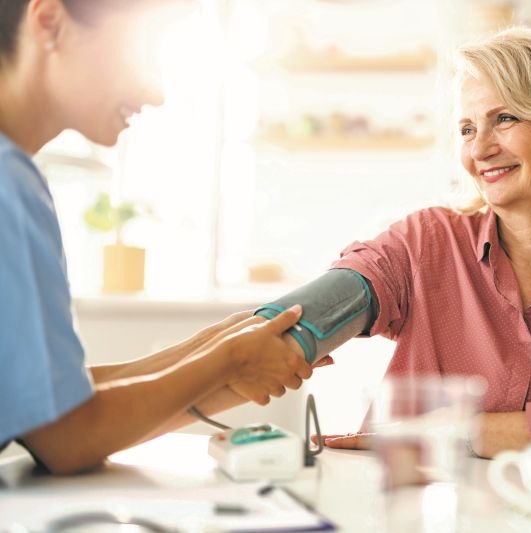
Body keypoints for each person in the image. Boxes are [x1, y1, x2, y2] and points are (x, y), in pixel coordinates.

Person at [260, 27, 531, 457]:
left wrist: (446, 429)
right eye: (466, 128)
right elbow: (349, 290)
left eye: (504, 119)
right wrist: (275, 336)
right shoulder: (429, 241)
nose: (479, 149)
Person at [0, 0, 312, 475]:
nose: (157, 92)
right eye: (138, 51)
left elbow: (48, 406)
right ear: (49, 22)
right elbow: (67, 438)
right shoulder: (9, 183)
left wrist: (215, 351)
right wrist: (227, 359)